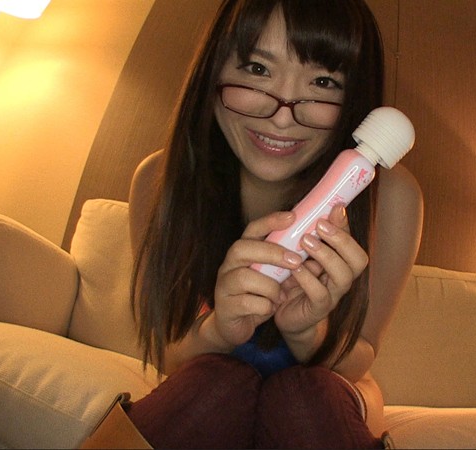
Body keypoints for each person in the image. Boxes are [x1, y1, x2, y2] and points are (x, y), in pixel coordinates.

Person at [126, 0, 423, 447]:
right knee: (212, 384)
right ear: (213, 72)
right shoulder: (161, 180)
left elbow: (360, 355)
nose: (283, 116)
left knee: (305, 396)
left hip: (330, 388)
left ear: (353, 101)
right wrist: (219, 329)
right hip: (206, 377)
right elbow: (169, 353)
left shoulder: (390, 195)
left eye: (322, 82)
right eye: (257, 69)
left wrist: (307, 332)